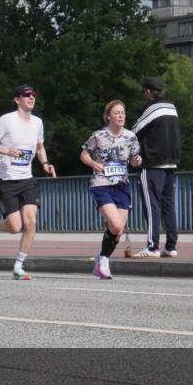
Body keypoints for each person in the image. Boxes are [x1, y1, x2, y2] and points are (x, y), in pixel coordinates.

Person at [0, 85, 57, 280]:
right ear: (17, 100)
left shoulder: (38, 122)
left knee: (31, 222)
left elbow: (40, 147)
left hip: (27, 177)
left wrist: (46, 163)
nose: (31, 98)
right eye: (27, 95)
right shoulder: (6, 120)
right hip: (6, 178)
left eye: (33, 95)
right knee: (15, 227)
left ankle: (18, 266)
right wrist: (6, 151)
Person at [80, 101, 142, 280]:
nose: (121, 116)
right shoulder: (98, 136)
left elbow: (133, 159)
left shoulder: (130, 136)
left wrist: (136, 162)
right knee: (115, 224)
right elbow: (84, 154)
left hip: (122, 185)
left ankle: (100, 258)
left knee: (118, 229)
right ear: (108, 116)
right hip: (101, 184)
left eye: (123, 112)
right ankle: (104, 261)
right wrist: (93, 163)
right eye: (116, 113)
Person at [131, 76, 181, 259]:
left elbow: (134, 132)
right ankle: (171, 246)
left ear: (149, 92)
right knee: (169, 205)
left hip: (152, 163)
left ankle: (152, 247)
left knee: (152, 206)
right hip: (171, 162)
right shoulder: (172, 108)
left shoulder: (152, 108)